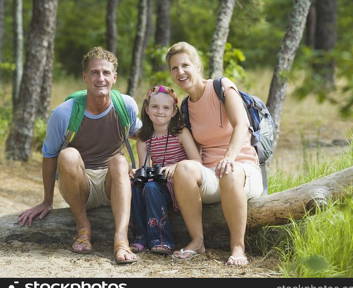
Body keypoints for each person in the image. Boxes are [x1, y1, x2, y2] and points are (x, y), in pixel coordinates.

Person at [17, 47, 141, 264]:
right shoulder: (64, 113)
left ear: (114, 77)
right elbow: (49, 157)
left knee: (120, 160)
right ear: (85, 77)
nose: (100, 78)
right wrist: (47, 201)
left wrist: (146, 165)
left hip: (113, 183)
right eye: (94, 72)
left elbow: (142, 135)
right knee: (68, 155)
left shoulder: (126, 105)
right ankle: (83, 228)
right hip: (79, 183)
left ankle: (121, 241)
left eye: (105, 73)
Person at [165, 42, 263, 266]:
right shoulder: (187, 107)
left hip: (243, 169)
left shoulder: (221, 87)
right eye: (174, 68)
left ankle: (238, 246)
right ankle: (197, 241)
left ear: (197, 65)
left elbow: (242, 125)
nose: (180, 72)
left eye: (185, 65)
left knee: (230, 171)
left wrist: (229, 157)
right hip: (212, 175)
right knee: (185, 168)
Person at [130, 85, 201, 255]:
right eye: (154, 106)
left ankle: (162, 240)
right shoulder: (143, 139)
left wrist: (175, 166)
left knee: (152, 188)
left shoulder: (181, 133)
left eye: (166, 107)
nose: (160, 111)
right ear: (147, 109)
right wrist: (137, 172)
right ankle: (140, 237)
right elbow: (145, 168)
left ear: (174, 111)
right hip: (158, 185)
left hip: (180, 185)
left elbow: (197, 161)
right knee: (137, 185)